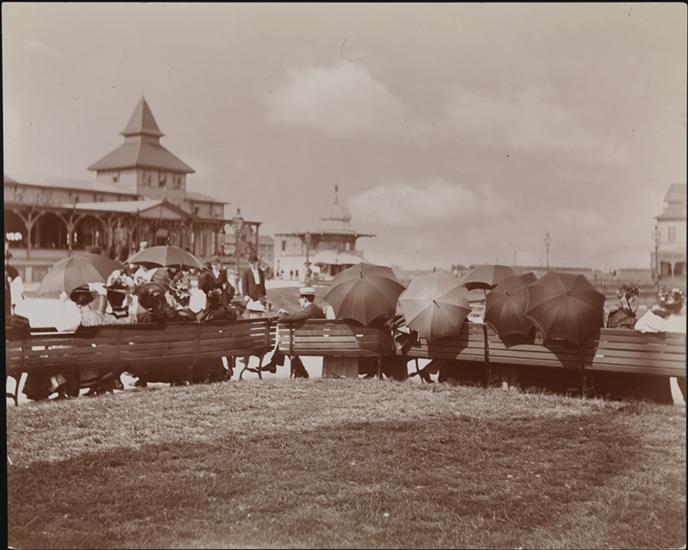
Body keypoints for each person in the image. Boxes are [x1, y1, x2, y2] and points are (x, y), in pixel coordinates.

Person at [260, 287, 324, 377]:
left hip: (309, 343)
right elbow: (297, 316)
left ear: (305, 299)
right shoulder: (316, 309)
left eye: (300, 299)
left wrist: (282, 314)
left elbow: (289, 318)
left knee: (286, 344)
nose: (299, 301)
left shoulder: (308, 311)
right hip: (317, 341)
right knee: (286, 343)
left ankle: (276, 365)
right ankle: (298, 371)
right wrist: (287, 314)